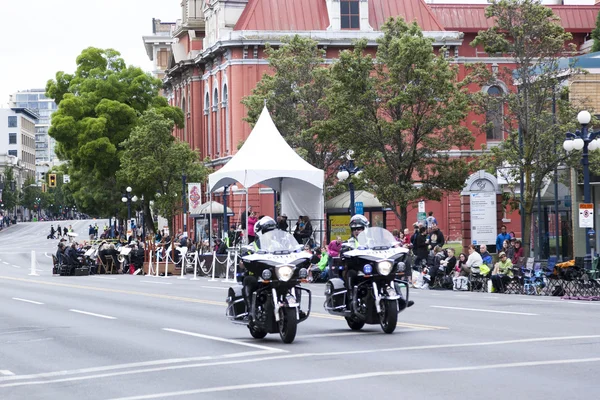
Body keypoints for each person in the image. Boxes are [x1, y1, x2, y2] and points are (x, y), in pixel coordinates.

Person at [242, 216, 278, 316]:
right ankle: (251, 310)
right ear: (260, 232)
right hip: (259, 276)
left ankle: (296, 308)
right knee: (249, 280)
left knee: (294, 282)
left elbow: (290, 251)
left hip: (276, 275)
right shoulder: (252, 246)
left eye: (273, 231)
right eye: (267, 231)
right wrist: (245, 258)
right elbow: (243, 259)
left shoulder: (278, 245)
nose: (271, 234)